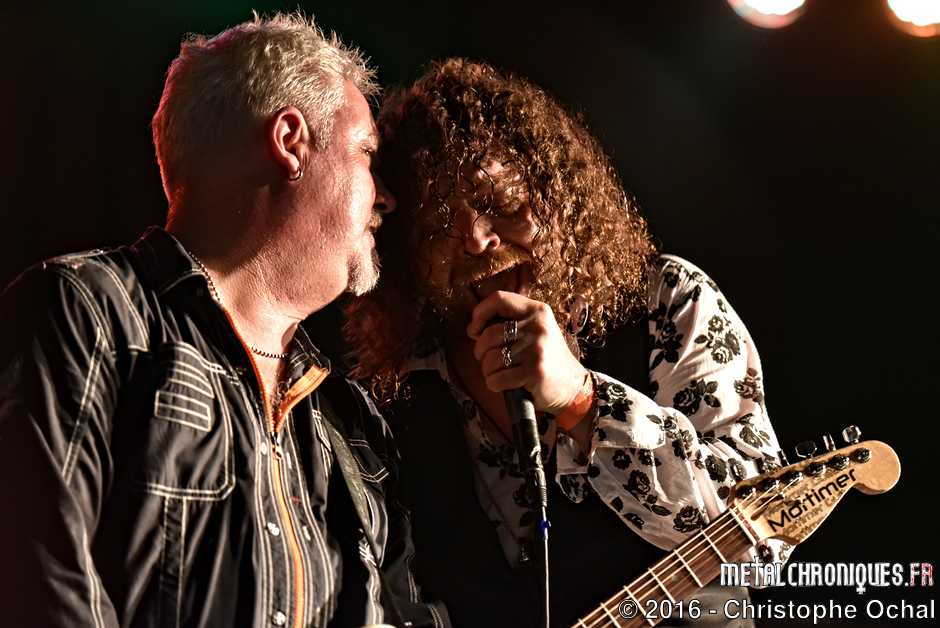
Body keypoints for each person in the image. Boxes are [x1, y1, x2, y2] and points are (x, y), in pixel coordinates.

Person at [0, 14, 449, 628]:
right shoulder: (88, 315)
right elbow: (38, 586)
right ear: (290, 141)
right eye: (366, 152)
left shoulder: (351, 424)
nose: (387, 197)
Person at [343, 58, 790, 627]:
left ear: (551, 192)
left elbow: (765, 537)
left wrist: (583, 401)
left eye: (500, 203)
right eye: (437, 222)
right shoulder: (394, 393)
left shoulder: (668, 304)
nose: (476, 239)